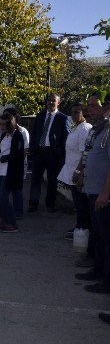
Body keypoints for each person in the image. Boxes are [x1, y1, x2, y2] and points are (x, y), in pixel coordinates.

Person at [76, 98, 110, 294]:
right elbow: (91, 156)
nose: (100, 111)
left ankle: (106, 278)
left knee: (105, 238)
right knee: (98, 234)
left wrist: (105, 192)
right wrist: (83, 175)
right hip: (93, 189)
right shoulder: (100, 130)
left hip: (102, 193)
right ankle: (98, 270)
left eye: (104, 107)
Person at [28, 93, 70, 213]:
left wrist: (59, 152)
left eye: (53, 101)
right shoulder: (40, 116)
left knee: (52, 180)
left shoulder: (63, 118)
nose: (51, 103)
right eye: (49, 100)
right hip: (39, 152)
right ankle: (33, 203)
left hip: (53, 153)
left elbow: (65, 137)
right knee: (35, 179)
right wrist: (33, 147)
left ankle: (50, 204)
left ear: (58, 103)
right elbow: (34, 132)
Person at [56, 103, 92, 241]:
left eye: (77, 112)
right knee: (77, 203)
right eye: (73, 112)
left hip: (78, 172)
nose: (74, 115)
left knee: (81, 203)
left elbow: (84, 153)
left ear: (84, 113)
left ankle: (83, 228)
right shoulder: (75, 127)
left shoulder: (84, 128)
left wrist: (79, 170)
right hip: (71, 170)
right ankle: (80, 226)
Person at [0, 112, 25, 233]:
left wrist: (3, 158)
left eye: (3, 124)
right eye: (0, 123)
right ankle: (5, 220)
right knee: (0, 197)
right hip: (0, 170)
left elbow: (17, 154)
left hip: (9, 171)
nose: (0, 126)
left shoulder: (17, 135)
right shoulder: (4, 135)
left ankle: (12, 223)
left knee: (3, 197)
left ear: (9, 124)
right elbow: (1, 150)